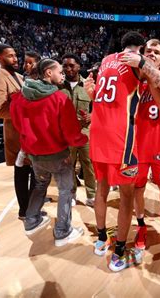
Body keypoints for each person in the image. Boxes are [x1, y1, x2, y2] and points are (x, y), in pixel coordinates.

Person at [84, 31, 146, 272]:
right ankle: (119, 250)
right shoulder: (135, 61)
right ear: (138, 48)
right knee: (126, 197)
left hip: (97, 135)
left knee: (101, 189)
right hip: (122, 142)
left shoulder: (106, 60)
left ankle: (101, 239)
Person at [10, 59, 87, 246]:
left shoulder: (20, 97)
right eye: (59, 71)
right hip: (57, 154)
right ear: (48, 73)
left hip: (35, 154)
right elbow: (69, 130)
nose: (63, 74)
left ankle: (31, 220)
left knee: (40, 185)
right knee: (65, 191)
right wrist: (81, 139)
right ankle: (62, 231)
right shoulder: (60, 98)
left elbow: (18, 124)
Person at [131, 39, 160, 249]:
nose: (151, 53)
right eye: (147, 50)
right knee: (137, 190)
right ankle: (141, 225)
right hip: (136, 148)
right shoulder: (132, 78)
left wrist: (147, 68)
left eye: (156, 51)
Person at [0, 44, 35, 220]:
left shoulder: (20, 77)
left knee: (34, 172)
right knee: (22, 173)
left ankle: (32, 207)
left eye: (15, 55)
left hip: (30, 132)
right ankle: (24, 210)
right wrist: (25, 110)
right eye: (10, 56)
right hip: (16, 133)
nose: (15, 59)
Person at [62, 53, 96, 207]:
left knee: (88, 164)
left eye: (71, 65)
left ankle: (92, 195)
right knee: (68, 166)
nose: (68, 69)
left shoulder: (89, 85)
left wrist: (93, 116)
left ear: (79, 67)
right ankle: (72, 194)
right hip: (66, 134)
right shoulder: (58, 87)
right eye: (65, 66)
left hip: (85, 132)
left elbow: (100, 106)